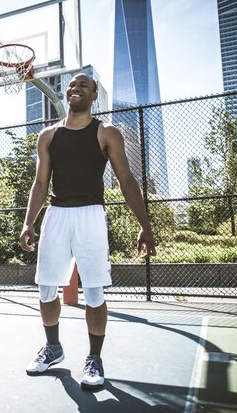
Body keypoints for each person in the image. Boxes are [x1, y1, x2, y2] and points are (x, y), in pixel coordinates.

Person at [19, 73, 156, 390]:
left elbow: (126, 180)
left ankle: (94, 359)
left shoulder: (106, 132)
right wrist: (28, 222)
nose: (75, 88)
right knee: (45, 290)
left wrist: (144, 226)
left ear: (95, 95)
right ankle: (53, 348)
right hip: (56, 215)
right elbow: (40, 183)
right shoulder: (48, 136)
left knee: (93, 292)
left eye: (84, 85)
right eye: (71, 85)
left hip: (91, 215)